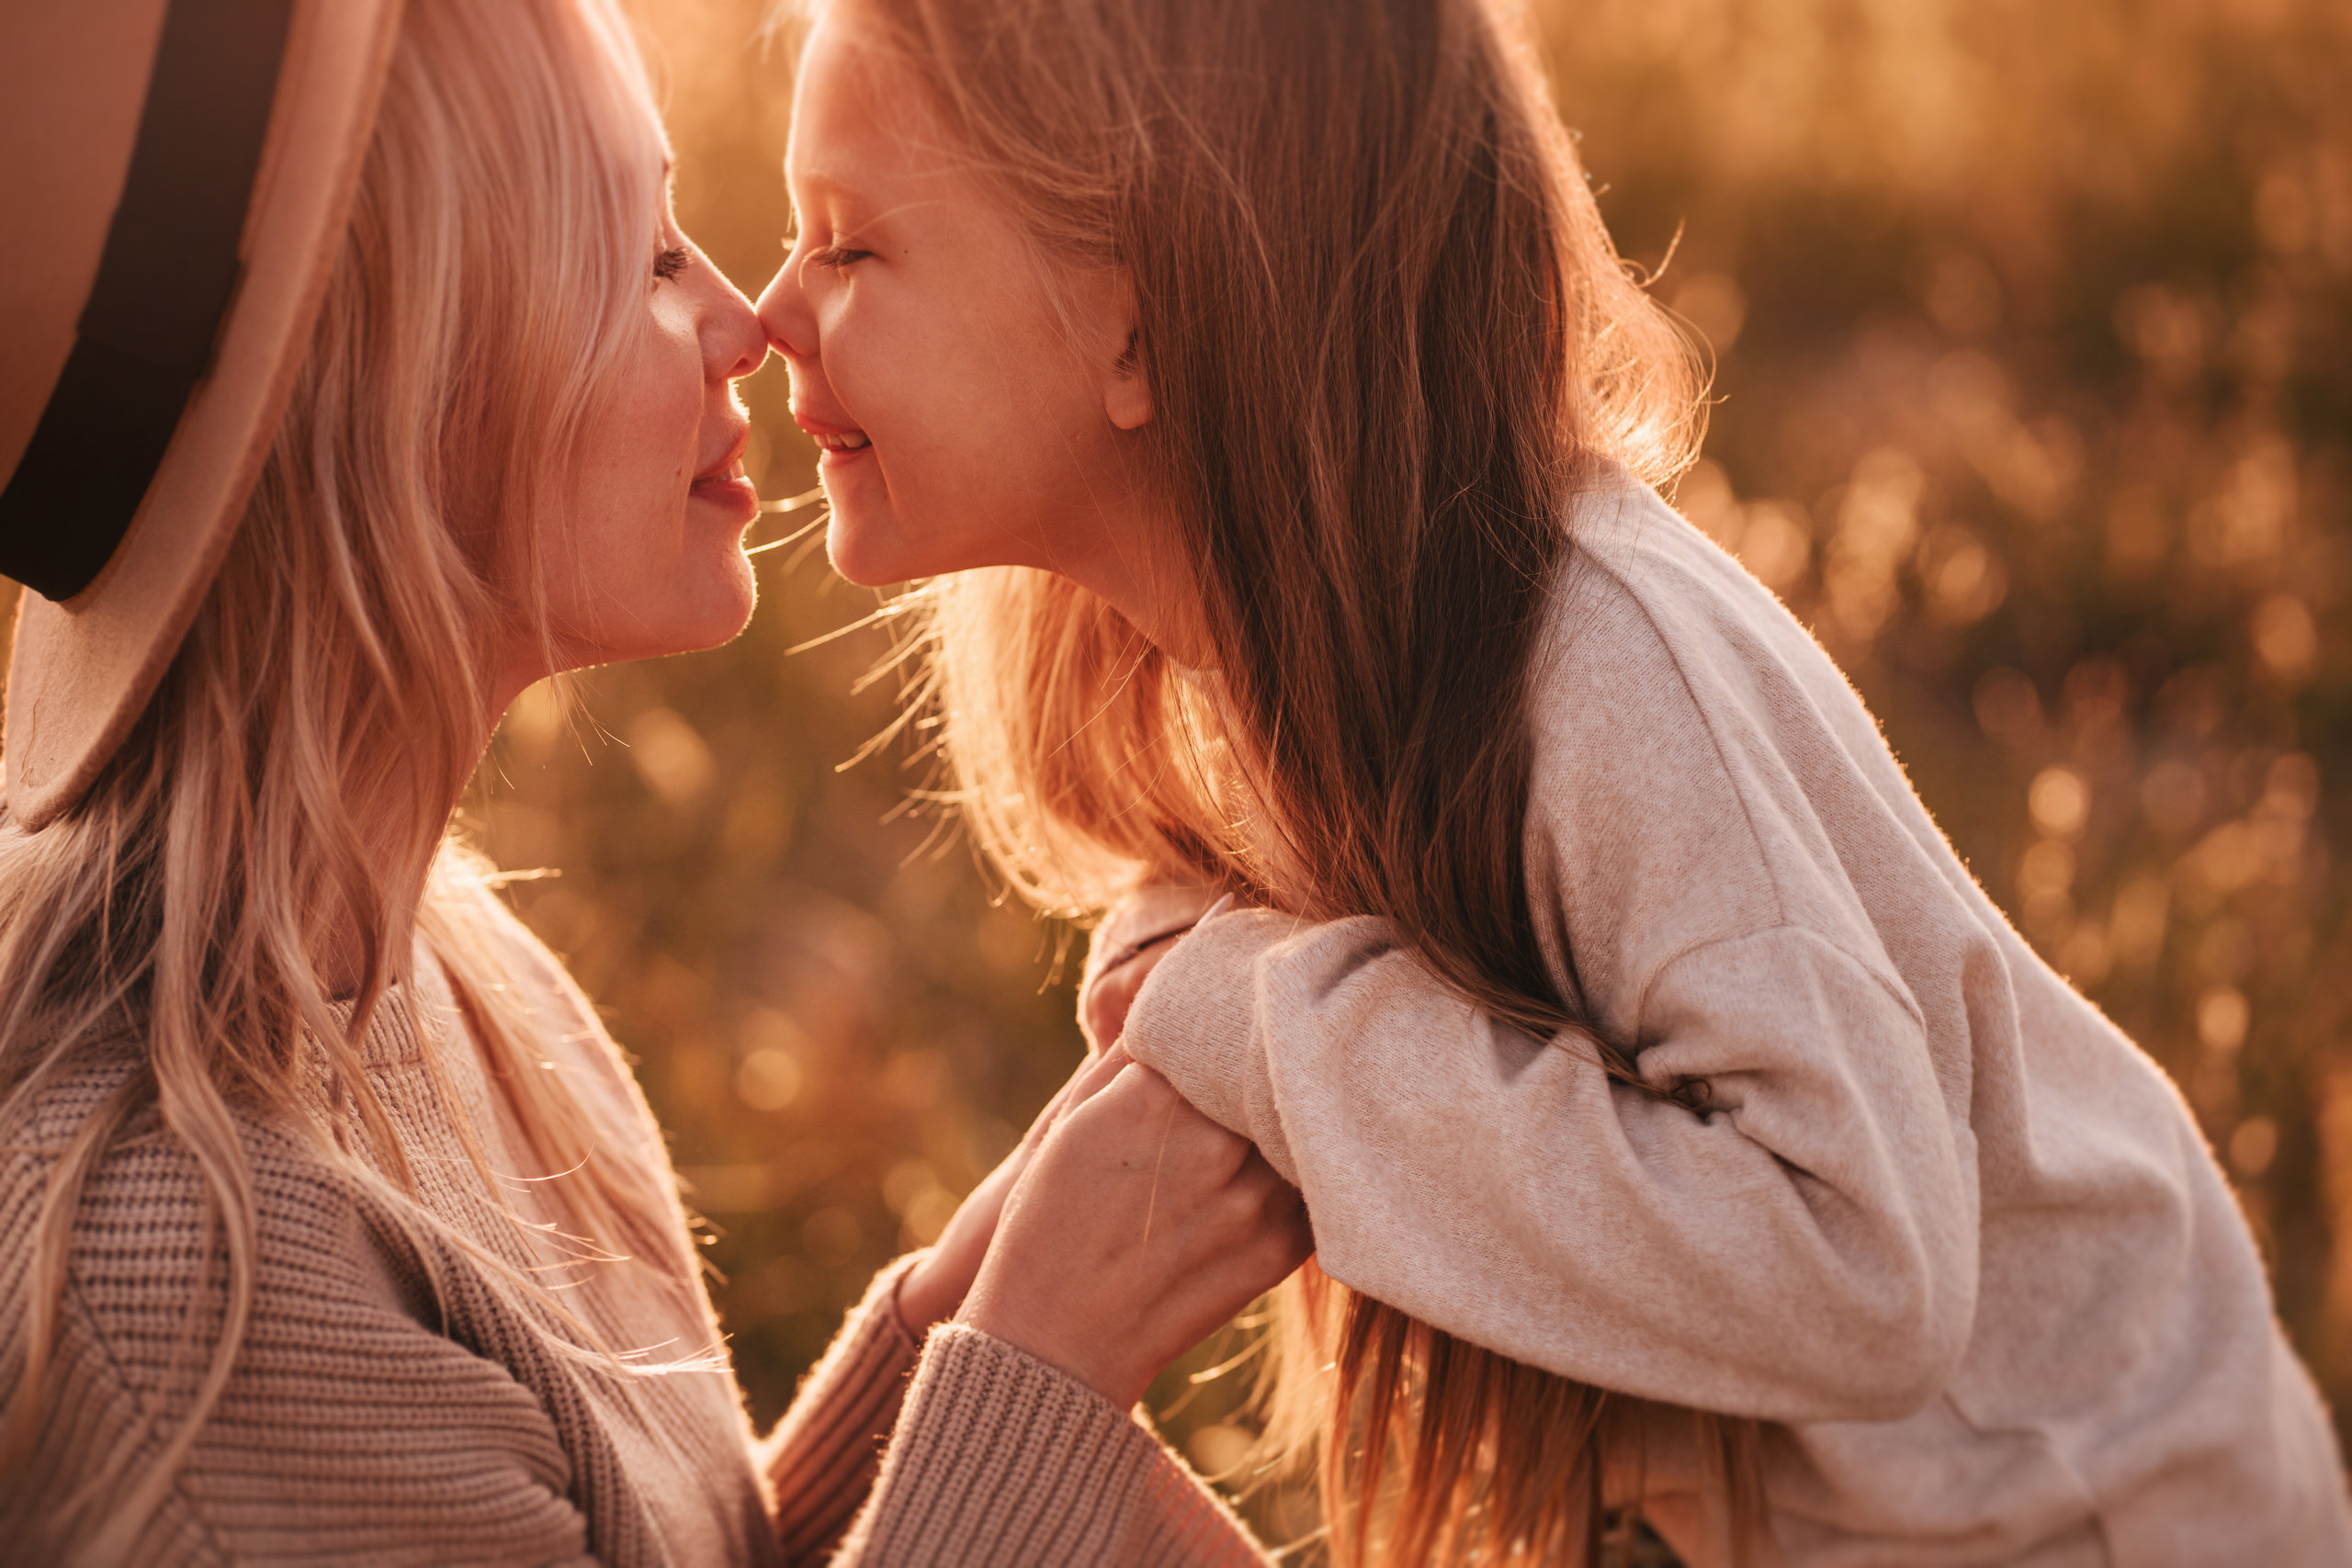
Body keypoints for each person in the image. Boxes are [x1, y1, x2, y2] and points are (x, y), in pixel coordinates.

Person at [752, 0, 2352, 1561]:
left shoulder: (1603, 670)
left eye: (848, 244)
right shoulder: (1234, 686)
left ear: (1138, 316)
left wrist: (1262, 1023)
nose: (770, 311)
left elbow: (1861, 1269)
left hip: (2099, 1518)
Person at [0, 2, 1307, 1563]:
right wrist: (1038, 1371)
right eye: (639, 259)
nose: (747, 320)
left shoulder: (445, 959)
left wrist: (951, 1326)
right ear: (402, 395)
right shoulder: (186, 1297)